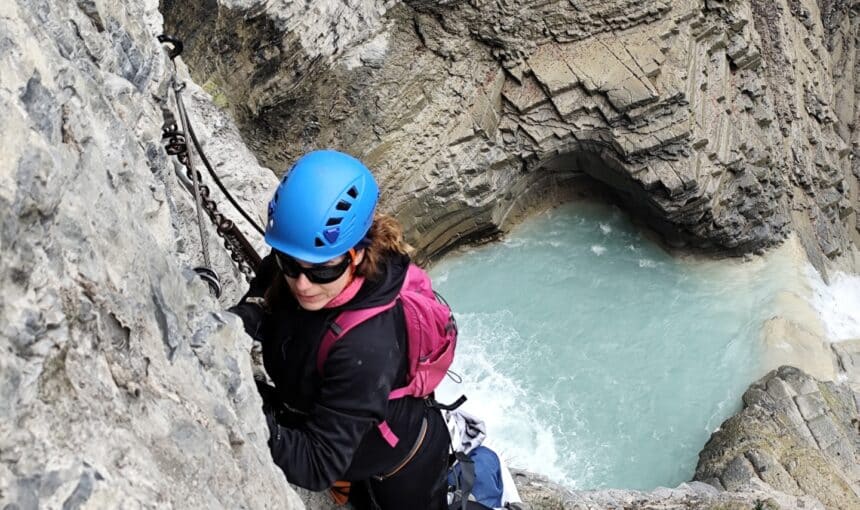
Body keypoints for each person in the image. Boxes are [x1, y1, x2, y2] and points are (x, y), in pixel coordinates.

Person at [229, 150, 450, 509]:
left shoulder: (366, 346)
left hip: (401, 467)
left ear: (358, 254)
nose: (302, 283)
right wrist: (232, 326)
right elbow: (266, 301)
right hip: (354, 430)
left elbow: (319, 465)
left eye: (323, 270)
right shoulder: (309, 251)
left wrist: (248, 413)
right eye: (289, 264)